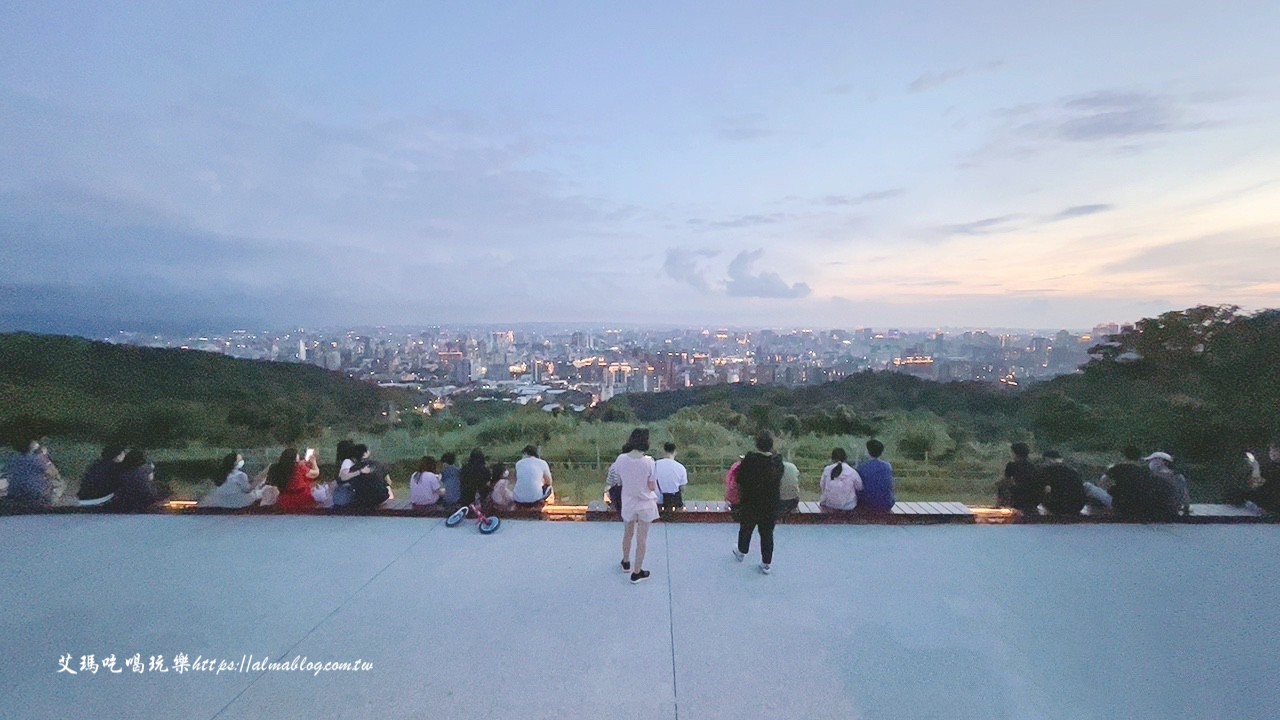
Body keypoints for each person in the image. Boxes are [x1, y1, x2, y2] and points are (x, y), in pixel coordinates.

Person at [732, 432, 784, 575]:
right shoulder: (777, 463)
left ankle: (741, 551)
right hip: (770, 504)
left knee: (746, 528)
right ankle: (766, 563)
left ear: (757, 445)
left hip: (751, 502)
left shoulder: (750, 460)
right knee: (767, 533)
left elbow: (739, 478)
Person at [613, 428, 659, 584]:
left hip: (628, 502)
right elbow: (652, 486)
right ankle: (637, 572)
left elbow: (618, 478)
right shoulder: (649, 462)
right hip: (645, 504)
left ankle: (626, 562)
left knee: (628, 533)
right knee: (642, 539)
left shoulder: (620, 459)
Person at [2, 439, 63, 510]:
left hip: (14, 493)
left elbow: (8, 473)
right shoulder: (37, 459)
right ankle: (52, 507)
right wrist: (44, 456)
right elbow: (54, 473)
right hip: (36, 495)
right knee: (59, 484)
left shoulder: (12, 459)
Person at [198, 452, 265, 509]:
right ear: (234, 463)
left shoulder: (221, 474)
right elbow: (247, 490)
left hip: (222, 502)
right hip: (238, 502)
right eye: (240, 460)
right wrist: (260, 479)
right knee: (263, 490)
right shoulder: (240, 475)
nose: (242, 461)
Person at [1036, 450, 1085, 516]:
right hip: (1077, 506)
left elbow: (1044, 489)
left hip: (1058, 507)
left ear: (1047, 459)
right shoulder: (1072, 471)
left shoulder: (1046, 471)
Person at [270, 448, 319, 512]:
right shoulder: (299, 467)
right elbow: (316, 473)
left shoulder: (278, 468)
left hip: (284, 501)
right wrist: (314, 462)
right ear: (294, 457)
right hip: (302, 500)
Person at [346, 444, 393, 509]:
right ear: (365, 454)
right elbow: (389, 482)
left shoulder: (353, 469)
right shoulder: (379, 465)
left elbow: (352, 484)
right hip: (381, 498)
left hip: (361, 500)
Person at [996, 442, 1040, 512]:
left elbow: (1006, 480)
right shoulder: (1032, 466)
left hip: (1018, 495)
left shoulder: (1012, 465)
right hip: (1032, 497)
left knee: (1002, 487)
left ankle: (999, 506)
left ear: (1015, 453)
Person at [855, 439, 896, 513]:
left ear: (868, 452)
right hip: (886, 504)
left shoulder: (861, 467)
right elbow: (891, 486)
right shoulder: (887, 466)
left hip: (866, 503)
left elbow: (858, 487)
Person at [1145, 452, 1190, 516]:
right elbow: (1185, 497)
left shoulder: (1151, 477)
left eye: (1151, 461)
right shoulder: (1179, 477)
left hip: (1154, 512)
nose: (1149, 463)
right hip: (1173, 511)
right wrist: (1186, 510)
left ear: (1160, 462)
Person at [819, 448, 862, 512]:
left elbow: (822, 486)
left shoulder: (827, 470)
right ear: (845, 458)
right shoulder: (852, 472)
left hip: (829, 504)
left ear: (832, 459)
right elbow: (860, 487)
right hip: (848, 506)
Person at [1244, 437, 1280, 513]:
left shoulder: (1271, 469)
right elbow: (1254, 485)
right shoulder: (1267, 467)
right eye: (1271, 450)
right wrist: (1255, 468)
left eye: (1276, 450)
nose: (1272, 453)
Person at [654, 442, 688, 511]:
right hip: (673, 501)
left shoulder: (654, 464)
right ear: (675, 452)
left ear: (663, 451)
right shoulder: (681, 467)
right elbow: (683, 488)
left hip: (656, 500)